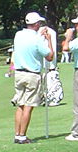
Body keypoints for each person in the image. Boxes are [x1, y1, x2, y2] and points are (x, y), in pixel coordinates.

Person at [11, 12, 53, 144]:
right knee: (28, 106)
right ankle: (22, 136)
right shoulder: (37, 39)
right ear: (36, 24)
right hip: (31, 74)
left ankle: (17, 134)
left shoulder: (18, 35)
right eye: (39, 23)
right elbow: (49, 56)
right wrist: (49, 40)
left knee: (20, 105)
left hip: (18, 73)